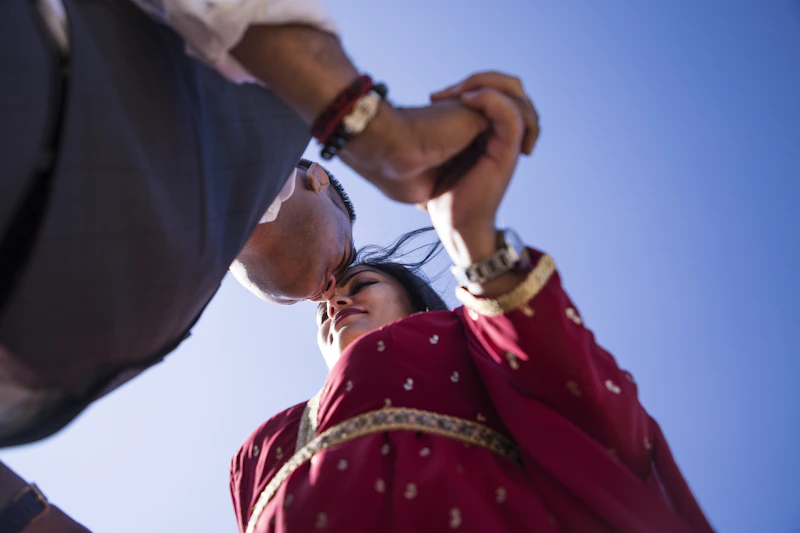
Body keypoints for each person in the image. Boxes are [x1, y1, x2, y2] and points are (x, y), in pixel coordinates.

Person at [1, 0, 538, 525]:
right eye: (352, 270)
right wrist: (376, 127)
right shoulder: (269, 93)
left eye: (338, 299)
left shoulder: (171, 328)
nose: (334, 299)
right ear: (319, 182)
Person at [229, 86, 716, 532]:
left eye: (364, 283)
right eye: (319, 312)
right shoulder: (260, 450)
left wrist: (473, 240)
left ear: (421, 311)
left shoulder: (475, 348)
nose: (333, 299)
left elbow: (585, 397)